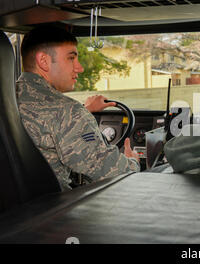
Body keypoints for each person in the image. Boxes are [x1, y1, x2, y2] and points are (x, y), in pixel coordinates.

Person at [16, 25, 141, 191]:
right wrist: (133, 162)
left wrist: (85, 110)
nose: (79, 68)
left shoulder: (9, 99)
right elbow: (112, 172)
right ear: (44, 61)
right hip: (51, 210)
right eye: (71, 58)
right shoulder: (67, 111)